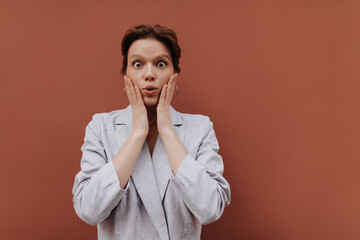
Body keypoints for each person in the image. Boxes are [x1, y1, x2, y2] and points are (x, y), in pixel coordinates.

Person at [72, 23, 231, 240]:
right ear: (125, 74)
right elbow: (89, 210)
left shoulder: (200, 128)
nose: (149, 74)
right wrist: (137, 134)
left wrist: (167, 131)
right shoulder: (101, 127)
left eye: (161, 64)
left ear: (174, 73)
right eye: (137, 64)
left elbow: (210, 209)